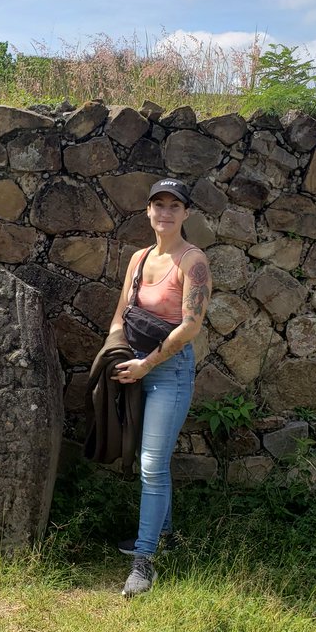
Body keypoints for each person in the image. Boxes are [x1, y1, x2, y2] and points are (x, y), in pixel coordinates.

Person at [106, 178, 212, 598]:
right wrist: (113, 357)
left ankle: (144, 560)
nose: (164, 213)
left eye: (174, 206)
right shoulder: (139, 258)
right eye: (158, 205)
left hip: (169, 372)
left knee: (152, 463)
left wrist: (147, 364)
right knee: (151, 461)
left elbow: (190, 325)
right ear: (148, 211)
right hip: (133, 368)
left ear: (186, 213)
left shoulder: (193, 261)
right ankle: (163, 535)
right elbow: (120, 315)